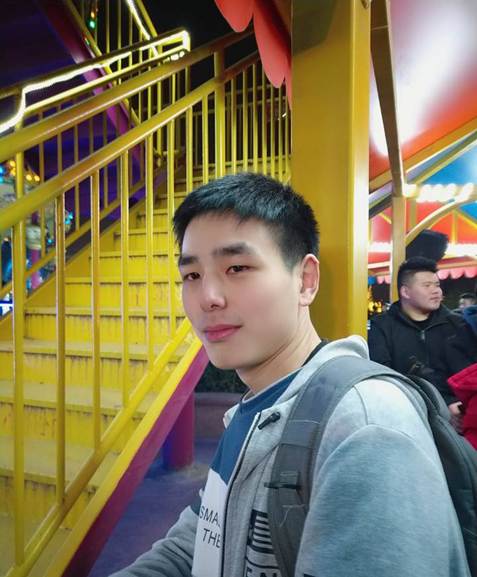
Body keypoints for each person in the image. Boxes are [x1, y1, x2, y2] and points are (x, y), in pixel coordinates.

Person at [112, 174, 470, 577]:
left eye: (237, 267)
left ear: (305, 280)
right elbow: (195, 546)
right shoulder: (252, 410)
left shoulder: (365, 428)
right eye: (192, 275)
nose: (208, 298)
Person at [368, 256, 468, 424]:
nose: (436, 291)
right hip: (404, 416)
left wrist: (456, 404)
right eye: (427, 286)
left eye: (437, 285)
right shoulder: (382, 327)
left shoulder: (457, 325)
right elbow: (382, 376)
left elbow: (468, 374)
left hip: (457, 420)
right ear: (405, 292)